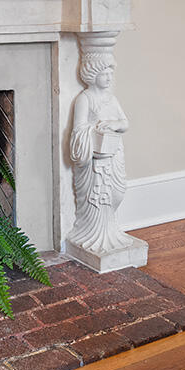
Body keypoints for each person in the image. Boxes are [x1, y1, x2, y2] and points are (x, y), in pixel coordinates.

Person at [66, 51, 134, 254]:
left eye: (110, 74)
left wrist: (112, 124)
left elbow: (125, 123)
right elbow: (78, 129)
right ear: (92, 75)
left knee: (117, 192)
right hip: (95, 156)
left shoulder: (111, 99)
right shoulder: (84, 99)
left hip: (114, 153)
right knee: (97, 196)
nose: (109, 78)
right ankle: (94, 232)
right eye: (105, 74)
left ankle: (111, 229)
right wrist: (95, 130)